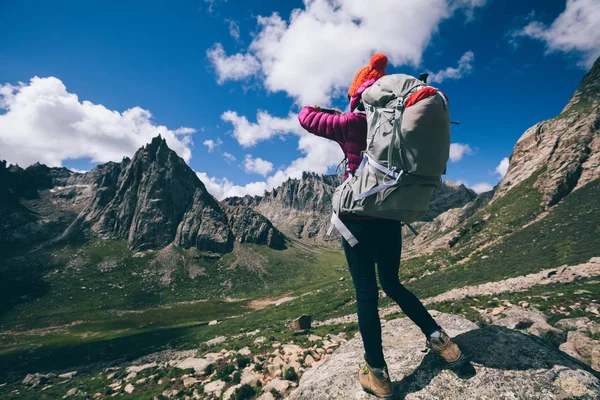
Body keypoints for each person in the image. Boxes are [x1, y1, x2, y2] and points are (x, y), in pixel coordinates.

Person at [298, 54, 464, 399]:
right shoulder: (396, 119)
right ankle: (442, 343)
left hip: (357, 219)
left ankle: (378, 375)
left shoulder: (352, 123)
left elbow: (305, 117)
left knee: (366, 293)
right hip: (391, 216)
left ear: (359, 94)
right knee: (393, 283)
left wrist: (328, 108)